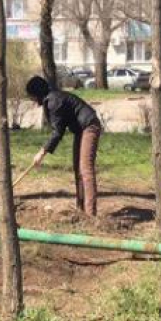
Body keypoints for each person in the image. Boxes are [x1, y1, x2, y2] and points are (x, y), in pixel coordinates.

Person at [26, 75, 102, 216]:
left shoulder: (54, 101)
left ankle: (90, 215)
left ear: (37, 93)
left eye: (31, 96)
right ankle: (81, 210)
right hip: (81, 129)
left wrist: (41, 153)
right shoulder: (52, 98)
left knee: (85, 169)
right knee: (77, 169)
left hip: (89, 126)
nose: (32, 100)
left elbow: (57, 132)